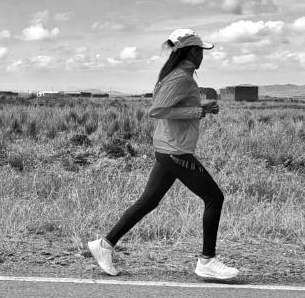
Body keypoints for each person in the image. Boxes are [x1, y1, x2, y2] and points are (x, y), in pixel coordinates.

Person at [87, 28, 239, 280]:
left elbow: (173, 106)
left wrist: (201, 107)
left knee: (148, 202)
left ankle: (104, 245)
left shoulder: (177, 75)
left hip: (168, 149)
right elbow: (157, 110)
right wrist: (196, 112)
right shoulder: (181, 78)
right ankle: (207, 260)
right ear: (192, 51)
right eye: (201, 50)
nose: (203, 55)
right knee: (215, 197)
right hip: (175, 151)